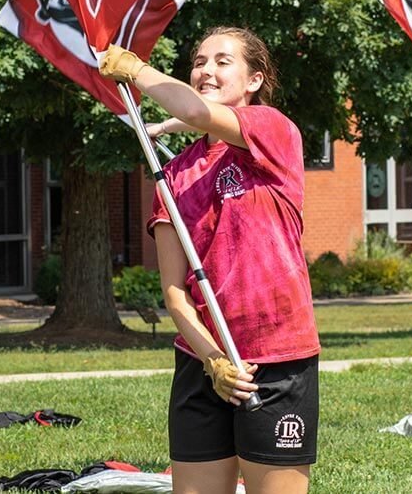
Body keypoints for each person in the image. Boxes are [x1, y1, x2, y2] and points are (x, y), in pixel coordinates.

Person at [100, 27, 320, 494]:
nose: (206, 70)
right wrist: (214, 360)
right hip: (203, 363)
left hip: (277, 356)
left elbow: (197, 112)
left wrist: (137, 69)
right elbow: (175, 293)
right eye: (199, 61)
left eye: (223, 61)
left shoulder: (273, 130)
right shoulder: (174, 174)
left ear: (255, 79)